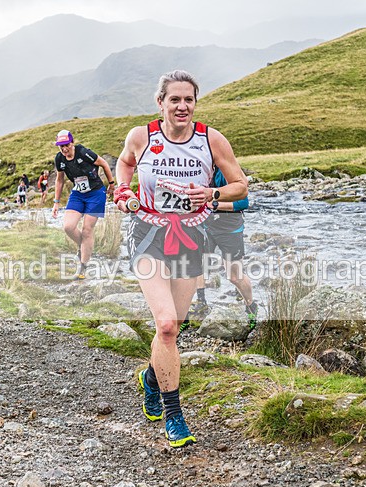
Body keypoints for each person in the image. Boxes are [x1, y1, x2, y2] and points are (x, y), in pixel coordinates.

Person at [115, 70, 247, 447]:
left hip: (191, 236)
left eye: (188, 99)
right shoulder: (142, 137)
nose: (182, 106)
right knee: (168, 324)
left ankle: (151, 378)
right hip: (148, 234)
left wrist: (210, 195)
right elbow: (124, 164)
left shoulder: (211, 139)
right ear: (161, 103)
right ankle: (175, 415)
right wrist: (124, 191)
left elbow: (239, 185)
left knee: (178, 323)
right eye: (175, 99)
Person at [182, 166, 258, 332]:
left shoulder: (225, 171)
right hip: (205, 225)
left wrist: (214, 204)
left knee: (234, 275)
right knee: (195, 264)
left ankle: (251, 307)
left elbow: (243, 202)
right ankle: (201, 303)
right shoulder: (196, 170)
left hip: (229, 228)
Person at [51, 129, 115, 280]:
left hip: (96, 194)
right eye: (61, 146)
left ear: (72, 142)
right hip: (78, 194)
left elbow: (104, 164)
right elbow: (59, 180)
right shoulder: (59, 159)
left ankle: (83, 268)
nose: (65, 149)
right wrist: (56, 202)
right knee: (68, 226)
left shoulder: (84, 152)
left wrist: (111, 184)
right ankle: (84, 246)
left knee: (87, 230)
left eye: (67, 145)